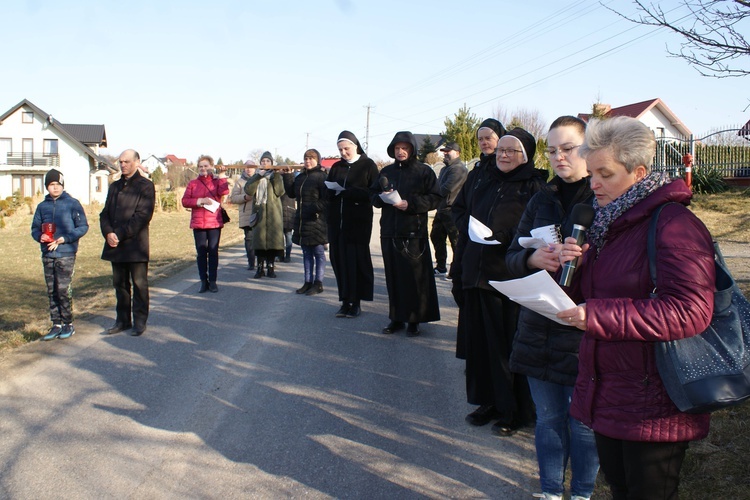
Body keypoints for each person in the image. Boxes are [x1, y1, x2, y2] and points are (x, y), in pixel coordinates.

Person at [557, 116, 715, 500]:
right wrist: (568, 268)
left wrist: (596, 315)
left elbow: (690, 310)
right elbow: (597, 291)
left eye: (605, 174)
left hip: (655, 400)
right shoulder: (608, 223)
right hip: (609, 390)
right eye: (591, 172)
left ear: (639, 172)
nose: (593, 184)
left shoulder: (674, 224)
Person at [505, 116, 598, 500]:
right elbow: (511, 255)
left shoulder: (604, 197)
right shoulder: (541, 198)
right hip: (539, 324)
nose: (559, 157)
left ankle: (582, 493)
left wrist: (586, 259)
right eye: (552, 149)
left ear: (589, 149)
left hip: (584, 327)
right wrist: (532, 261)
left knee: (583, 424)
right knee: (548, 419)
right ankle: (548, 491)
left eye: (568, 148)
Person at [454, 128, 547, 434]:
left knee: (508, 347)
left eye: (512, 151)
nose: (504, 155)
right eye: (501, 150)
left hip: (510, 277)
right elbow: (460, 212)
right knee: (480, 346)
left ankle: (514, 411)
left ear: (526, 155)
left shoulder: (535, 186)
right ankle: (487, 402)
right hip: (476, 273)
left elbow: (538, 232)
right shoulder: (483, 179)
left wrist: (505, 238)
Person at [371, 131, 442, 337]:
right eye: (397, 148)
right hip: (390, 232)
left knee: (414, 278)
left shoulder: (424, 171)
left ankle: (414, 319)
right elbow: (372, 195)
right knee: (394, 278)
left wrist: (411, 205)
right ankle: (396, 318)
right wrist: (381, 198)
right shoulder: (386, 172)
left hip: (414, 232)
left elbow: (436, 197)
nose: (400, 152)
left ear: (412, 149)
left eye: (404, 148)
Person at [451, 118, 507, 360]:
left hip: (498, 257)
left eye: (489, 138)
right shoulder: (476, 173)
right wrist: (469, 227)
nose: (484, 143)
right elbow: (460, 207)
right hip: (471, 247)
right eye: (480, 139)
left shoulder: (506, 170)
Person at [100, 149, 156, 336]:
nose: (123, 165)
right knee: (120, 285)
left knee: (139, 284)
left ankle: (139, 321)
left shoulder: (145, 186)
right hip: (115, 245)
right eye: (121, 162)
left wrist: (120, 234)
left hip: (135, 245)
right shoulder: (114, 186)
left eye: (127, 161)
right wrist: (108, 233)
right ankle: (122, 320)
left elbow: (142, 216)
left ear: (137, 162)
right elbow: (105, 214)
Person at [31, 169, 89, 340]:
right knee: (52, 290)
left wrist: (66, 239)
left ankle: (68, 323)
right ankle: (56, 323)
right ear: (47, 187)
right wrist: (39, 236)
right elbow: (35, 228)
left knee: (63, 289)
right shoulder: (42, 207)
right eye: (51, 185)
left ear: (62, 186)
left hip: (66, 253)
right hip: (48, 254)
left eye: (58, 184)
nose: (55, 188)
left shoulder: (72, 204)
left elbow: (83, 227)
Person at [326, 130, 379, 318]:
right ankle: (344, 300)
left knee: (355, 265)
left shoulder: (368, 165)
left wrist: (349, 191)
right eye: (340, 150)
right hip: (337, 225)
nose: (343, 153)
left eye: (346, 149)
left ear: (355, 146)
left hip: (357, 225)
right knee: (339, 263)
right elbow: (329, 192)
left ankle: (355, 302)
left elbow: (374, 193)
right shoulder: (336, 167)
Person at [181, 155, 230, 293]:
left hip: (214, 222)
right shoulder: (193, 184)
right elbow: (185, 201)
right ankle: (203, 281)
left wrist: (222, 176)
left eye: (206, 166)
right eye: (201, 166)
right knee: (201, 253)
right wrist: (200, 201)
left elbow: (224, 191)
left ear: (211, 166)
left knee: (213, 252)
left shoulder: (216, 181)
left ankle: (213, 281)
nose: (203, 168)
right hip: (198, 224)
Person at [284, 149, 329, 295]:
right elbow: (291, 193)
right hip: (302, 220)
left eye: (311, 158)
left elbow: (327, 200)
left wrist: (313, 208)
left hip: (317, 220)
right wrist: (288, 176)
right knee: (306, 253)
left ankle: (318, 283)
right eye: (306, 159)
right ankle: (307, 282)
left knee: (318, 252)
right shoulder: (301, 177)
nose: (308, 161)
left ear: (318, 160)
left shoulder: (322, 177)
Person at [244, 151, 285, 278]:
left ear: (272, 163)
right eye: (263, 161)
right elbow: (249, 190)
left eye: (268, 161)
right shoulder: (256, 177)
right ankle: (260, 267)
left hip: (274, 215)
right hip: (259, 214)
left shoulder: (275, 177)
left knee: (272, 243)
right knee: (260, 242)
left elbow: (280, 191)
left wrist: (277, 174)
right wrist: (258, 177)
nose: (265, 163)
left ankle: (271, 267)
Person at [430, 141, 467, 278]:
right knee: (436, 236)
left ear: (457, 153)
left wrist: (430, 193)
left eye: (448, 151)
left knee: (455, 241)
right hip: (442, 209)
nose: (445, 154)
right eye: (444, 151)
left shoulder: (458, 169)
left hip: (453, 211)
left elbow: (445, 189)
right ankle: (441, 267)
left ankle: (455, 271)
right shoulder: (445, 168)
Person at [229, 160, 257, 270]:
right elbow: (234, 198)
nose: (248, 169)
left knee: (259, 239)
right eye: (246, 167)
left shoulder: (260, 180)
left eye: (251, 167)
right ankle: (251, 262)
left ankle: (261, 262)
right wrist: (245, 197)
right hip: (246, 215)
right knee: (249, 239)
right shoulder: (239, 182)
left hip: (259, 213)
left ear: (255, 168)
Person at [279, 161, 296, 263]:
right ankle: (282, 255)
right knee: (282, 236)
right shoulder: (291, 178)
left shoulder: (290, 179)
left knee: (288, 235)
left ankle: (287, 255)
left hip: (288, 209)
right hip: (285, 208)